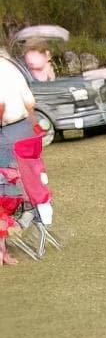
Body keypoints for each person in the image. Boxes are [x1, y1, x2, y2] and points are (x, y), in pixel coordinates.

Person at [0, 49, 36, 266]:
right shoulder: (11, 67)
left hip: (7, 132)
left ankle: (3, 249)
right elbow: (30, 102)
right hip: (23, 129)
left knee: (5, 192)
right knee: (20, 186)